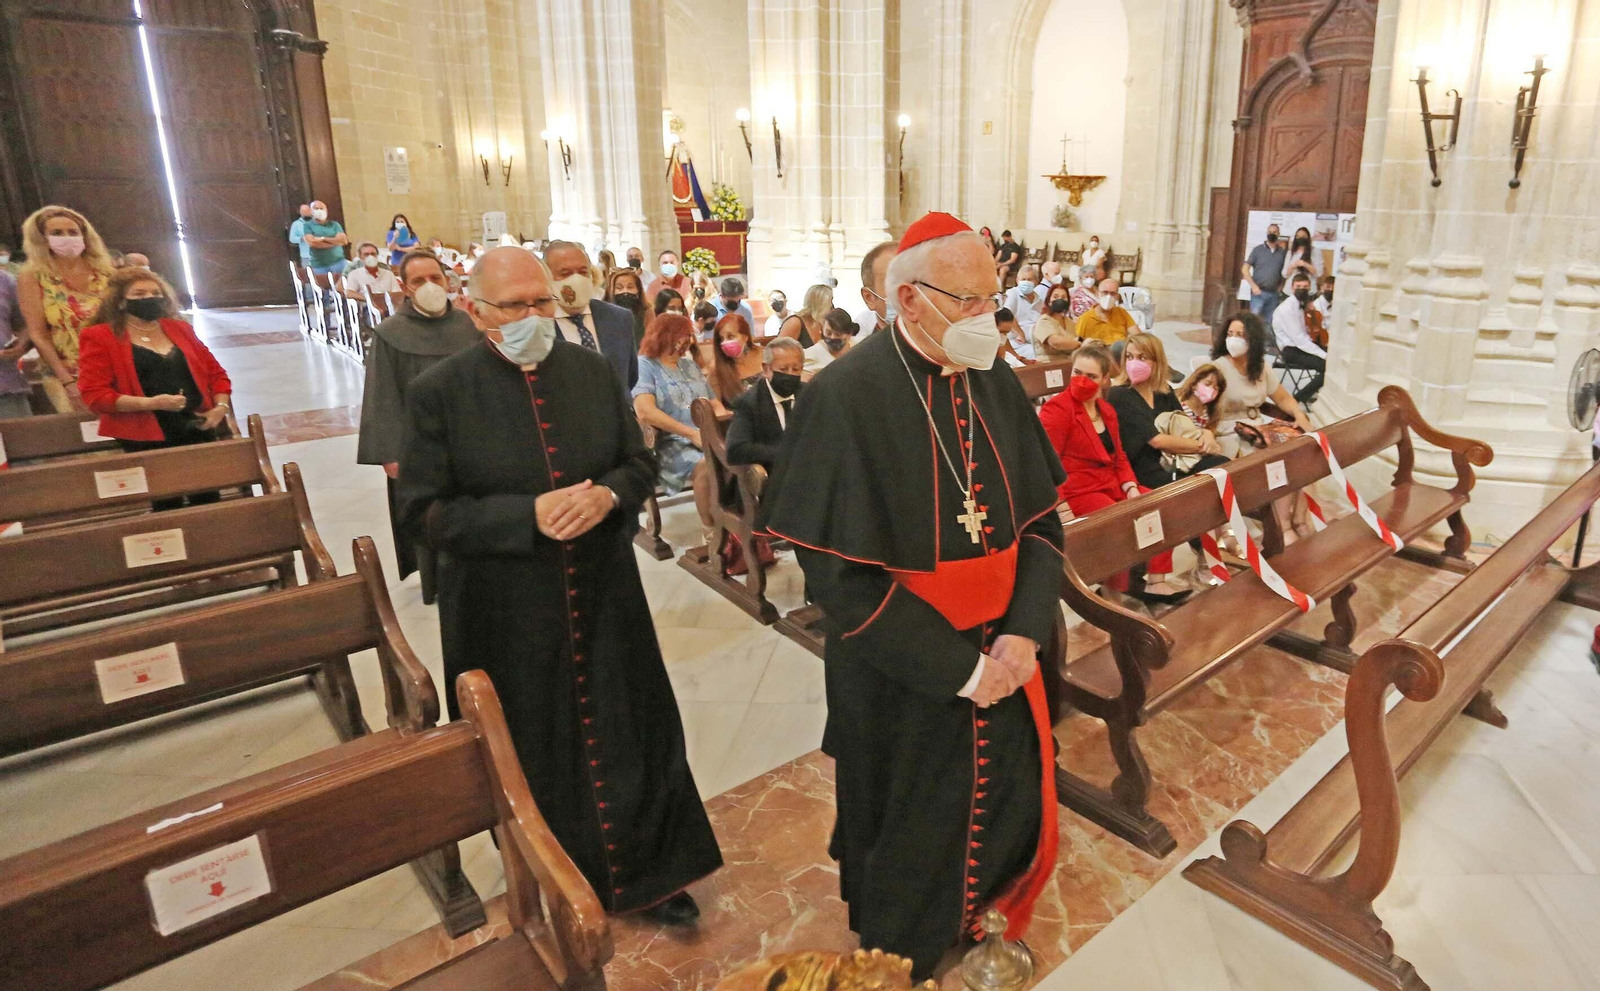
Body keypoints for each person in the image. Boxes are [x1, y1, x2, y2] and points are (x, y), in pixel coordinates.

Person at [758, 212, 1064, 980]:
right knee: (911, 822)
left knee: (1004, 803)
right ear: (907, 299)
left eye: (993, 299)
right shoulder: (846, 396)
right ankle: (912, 944)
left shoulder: (990, 376)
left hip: (1010, 650)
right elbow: (839, 577)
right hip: (904, 670)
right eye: (966, 301)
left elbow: (1042, 521)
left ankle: (986, 911)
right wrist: (963, 672)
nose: (986, 320)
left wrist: (1023, 633)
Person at [396, 247, 722, 926]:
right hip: (504, 609)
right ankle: (551, 881)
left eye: (541, 301)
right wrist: (526, 514)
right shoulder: (438, 392)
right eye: (515, 305)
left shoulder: (593, 371)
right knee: (532, 746)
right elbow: (421, 513)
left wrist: (608, 495)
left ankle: (653, 875)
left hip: (605, 592)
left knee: (633, 730)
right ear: (476, 309)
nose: (534, 316)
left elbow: (636, 463)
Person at [357, 250, 479, 599]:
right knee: (432, 514)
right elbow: (382, 395)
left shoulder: (468, 325)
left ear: (448, 280)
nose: (429, 286)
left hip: (471, 438)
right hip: (420, 445)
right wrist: (390, 453)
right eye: (419, 281)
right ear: (404, 287)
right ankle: (436, 582)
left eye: (435, 278)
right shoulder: (391, 334)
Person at [77, 268, 232, 509]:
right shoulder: (100, 336)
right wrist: (151, 403)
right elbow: (95, 395)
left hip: (196, 425)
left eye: (155, 293)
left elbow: (216, 374)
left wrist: (220, 408)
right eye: (139, 294)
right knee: (167, 500)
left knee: (207, 498)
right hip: (146, 431)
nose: (149, 298)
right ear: (120, 301)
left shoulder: (180, 328)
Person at [1039, 344, 1176, 594]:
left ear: (1104, 380)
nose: (1081, 381)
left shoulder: (1107, 410)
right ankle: (1113, 594)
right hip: (1079, 491)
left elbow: (1119, 455)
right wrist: (1059, 505)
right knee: (1117, 522)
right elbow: (1046, 462)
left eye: (1090, 376)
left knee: (1157, 506)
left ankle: (1157, 582)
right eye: (1076, 373)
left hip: (1111, 484)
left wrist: (1131, 486)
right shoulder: (1058, 409)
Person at [1105, 334, 1228, 594]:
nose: (1134, 363)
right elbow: (1157, 440)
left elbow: (1184, 426)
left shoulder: (1164, 393)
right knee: (1195, 491)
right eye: (1129, 357)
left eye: (1142, 357)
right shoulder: (1119, 395)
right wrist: (1200, 445)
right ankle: (1208, 548)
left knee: (1220, 465)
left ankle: (1212, 544)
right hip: (1142, 468)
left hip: (1172, 464)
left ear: (1156, 361)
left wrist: (1206, 434)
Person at [16, 205, 114, 412]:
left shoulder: (106, 273)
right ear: (43, 239)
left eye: (72, 232)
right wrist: (67, 380)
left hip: (113, 365)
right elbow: (38, 333)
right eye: (57, 233)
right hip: (66, 371)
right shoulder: (33, 275)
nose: (66, 237)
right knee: (87, 433)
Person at [633, 313, 718, 542]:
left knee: (739, 457)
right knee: (706, 466)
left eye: (687, 336)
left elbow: (714, 403)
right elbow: (645, 411)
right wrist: (690, 433)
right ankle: (712, 533)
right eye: (679, 336)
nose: (684, 342)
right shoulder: (645, 366)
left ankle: (736, 524)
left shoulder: (690, 366)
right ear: (661, 336)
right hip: (669, 444)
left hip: (707, 437)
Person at [1209, 311, 1313, 457]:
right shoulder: (1217, 369)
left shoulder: (1261, 367)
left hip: (1258, 429)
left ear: (1252, 339)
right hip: (1228, 433)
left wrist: (1298, 414)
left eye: (1239, 335)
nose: (1233, 340)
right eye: (1230, 334)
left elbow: (1282, 398)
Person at [541, 241, 639, 394]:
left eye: (582, 271)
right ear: (546, 277)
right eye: (565, 273)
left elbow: (630, 377)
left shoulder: (619, 318)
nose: (576, 279)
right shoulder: (539, 325)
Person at [726, 336, 804, 472]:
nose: (790, 375)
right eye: (784, 369)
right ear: (766, 369)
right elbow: (736, 450)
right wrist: (785, 454)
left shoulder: (809, 394)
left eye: (796, 369)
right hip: (773, 477)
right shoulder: (747, 403)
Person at [1271, 272, 1327, 403]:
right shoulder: (1287, 309)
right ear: (1292, 288)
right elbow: (1300, 340)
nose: (1302, 289)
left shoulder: (1302, 305)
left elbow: (1308, 331)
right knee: (1327, 367)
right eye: (1298, 286)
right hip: (1290, 350)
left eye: (1305, 286)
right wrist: (1323, 354)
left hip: (1301, 345)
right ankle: (1297, 399)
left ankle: (1316, 393)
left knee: (1334, 361)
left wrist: (1311, 312)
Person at [0, 269, 33, 419]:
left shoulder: (5, 280)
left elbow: (27, 325)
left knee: (23, 440)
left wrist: (22, 344)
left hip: (6, 388)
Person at [1074, 278, 1136, 355]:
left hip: (1120, 355)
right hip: (1098, 356)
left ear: (1117, 296)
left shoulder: (1121, 313)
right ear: (1098, 294)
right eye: (1105, 292)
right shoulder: (1086, 318)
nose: (1108, 296)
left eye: (1112, 293)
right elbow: (1077, 343)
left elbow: (1138, 336)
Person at [706, 313, 759, 405]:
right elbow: (716, 407)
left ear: (745, 337)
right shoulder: (716, 368)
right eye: (721, 339)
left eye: (730, 337)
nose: (725, 342)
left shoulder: (764, 355)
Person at [1242, 222, 1288, 327]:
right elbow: (1245, 269)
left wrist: (1281, 287)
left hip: (1274, 293)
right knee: (1254, 320)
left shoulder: (1282, 252)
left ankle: (1266, 343)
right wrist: (1253, 286)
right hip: (1258, 292)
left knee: (1269, 322)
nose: (1272, 234)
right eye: (1270, 232)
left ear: (1279, 234)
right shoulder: (1257, 250)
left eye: (1274, 232)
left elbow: (1284, 272)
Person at [855, 240, 898, 337]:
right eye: (893, 283)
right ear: (869, 298)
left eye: (913, 280)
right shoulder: (865, 351)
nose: (907, 291)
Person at [802, 307, 858, 376]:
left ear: (849, 334)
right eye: (828, 333)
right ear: (822, 329)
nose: (832, 337)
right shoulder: (811, 355)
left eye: (838, 334)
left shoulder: (858, 348)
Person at [1032, 284, 1080, 363]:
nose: (1060, 300)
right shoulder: (1044, 321)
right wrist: (1079, 344)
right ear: (1049, 301)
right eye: (1056, 297)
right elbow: (1056, 342)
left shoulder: (1069, 322)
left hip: (1069, 362)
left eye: (1063, 297)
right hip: (1048, 364)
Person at [604, 268, 649, 348]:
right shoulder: (603, 313)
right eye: (619, 288)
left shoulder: (646, 312)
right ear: (611, 291)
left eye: (630, 287)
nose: (625, 291)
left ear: (638, 290)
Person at [780, 283, 832, 348]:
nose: (831, 306)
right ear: (820, 304)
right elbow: (780, 351)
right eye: (830, 302)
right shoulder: (795, 322)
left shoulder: (821, 323)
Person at [1003, 264, 1044, 341]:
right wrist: (1020, 333)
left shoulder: (1039, 299)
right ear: (1017, 280)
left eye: (1029, 279)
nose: (1026, 282)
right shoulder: (1013, 293)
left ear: (1036, 281)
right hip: (1017, 340)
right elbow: (1007, 315)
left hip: (1035, 339)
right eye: (1023, 279)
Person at [288, 203, 313, 268]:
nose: (306, 213)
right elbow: (292, 239)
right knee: (308, 274)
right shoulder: (296, 224)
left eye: (308, 211)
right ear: (301, 213)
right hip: (306, 255)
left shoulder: (317, 222)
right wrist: (302, 238)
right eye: (304, 212)